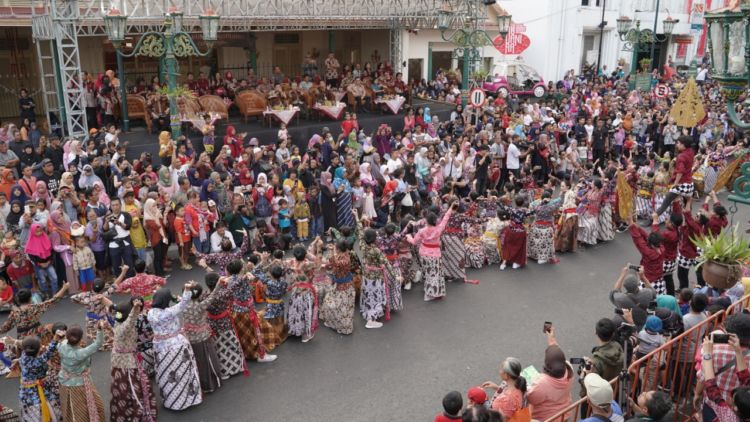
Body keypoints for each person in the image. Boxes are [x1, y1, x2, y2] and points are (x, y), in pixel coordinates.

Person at [148, 284, 203, 411]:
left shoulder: (150, 313)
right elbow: (184, 303)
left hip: (159, 347)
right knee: (182, 372)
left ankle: (172, 401)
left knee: (167, 375)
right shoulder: (169, 312)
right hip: (175, 347)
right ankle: (186, 399)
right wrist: (187, 290)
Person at [109, 297, 157, 421]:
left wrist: (134, 309)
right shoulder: (124, 327)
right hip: (128, 361)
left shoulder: (117, 322)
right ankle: (137, 411)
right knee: (132, 385)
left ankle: (123, 411)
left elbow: (126, 316)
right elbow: (130, 320)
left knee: (120, 386)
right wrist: (135, 309)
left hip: (117, 360)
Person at [406, 202, 455, 301]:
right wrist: (451, 208)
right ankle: (436, 292)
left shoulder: (422, 231)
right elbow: (446, 218)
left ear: (426, 221)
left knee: (428, 273)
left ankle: (429, 292)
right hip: (436, 254)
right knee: (436, 273)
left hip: (424, 254)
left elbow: (414, 242)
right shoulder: (439, 229)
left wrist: (408, 237)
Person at [57, 324, 106, 422]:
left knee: (70, 408)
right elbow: (97, 344)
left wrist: (60, 336)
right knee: (87, 408)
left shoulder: (61, 345)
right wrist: (100, 330)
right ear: (80, 339)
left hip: (64, 381)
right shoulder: (80, 354)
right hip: (79, 385)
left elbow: (61, 340)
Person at [699, 332, 750, 422]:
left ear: (735, 408)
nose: (729, 400)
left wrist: (707, 354)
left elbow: (712, 390)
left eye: (732, 399)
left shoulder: (730, 418)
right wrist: (737, 351)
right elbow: (746, 379)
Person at [527, 326, 574, 421]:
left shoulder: (542, 383)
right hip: (564, 414)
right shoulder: (569, 369)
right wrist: (551, 339)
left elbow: (531, 398)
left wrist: (526, 386)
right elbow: (558, 355)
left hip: (547, 418)